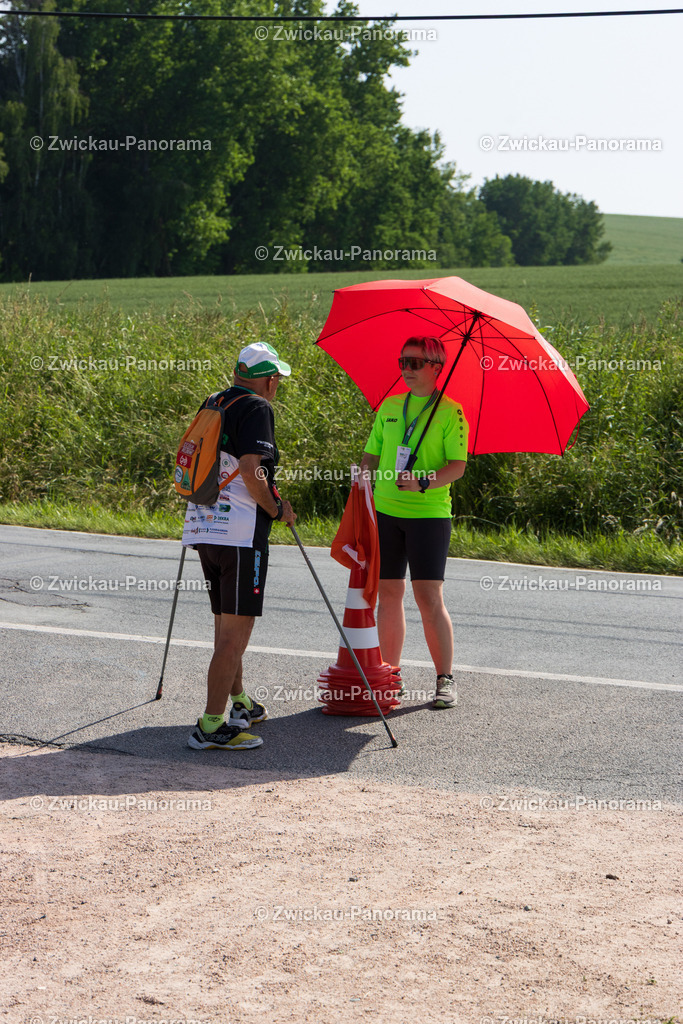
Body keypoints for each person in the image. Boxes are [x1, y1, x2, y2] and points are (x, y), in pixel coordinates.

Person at [182, 342, 296, 750]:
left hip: (202, 524)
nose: (277, 385)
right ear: (267, 379)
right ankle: (211, 726)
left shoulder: (214, 400)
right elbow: (251, 470)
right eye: (277, 379)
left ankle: (239, 702)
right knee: (235, 632)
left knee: (226, 624)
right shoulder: (258, 408)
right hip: (240, 533)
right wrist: (277, 507)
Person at [359, 336, 468, 709]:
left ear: (437, 368)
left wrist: (424, 481)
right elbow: (371, 453)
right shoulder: (390, 406)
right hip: (387, 512)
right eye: (402, 361)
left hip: (428, 515)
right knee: (389, 596)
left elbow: (458, 466)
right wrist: (362, 476)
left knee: (428, 598)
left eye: (415, 363)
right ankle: (391, 675)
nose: (406, 369)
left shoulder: (451, 412)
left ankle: (445, 679)